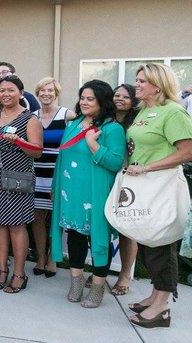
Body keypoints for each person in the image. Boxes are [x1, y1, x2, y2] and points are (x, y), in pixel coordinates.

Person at [125, 63, 192, 328]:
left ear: (157, 85)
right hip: (143, 187)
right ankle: (155, 295)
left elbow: (186, 152)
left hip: (162, 185)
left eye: (142, 81)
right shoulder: (145, 111)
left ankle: (163, 305)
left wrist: (148, 167)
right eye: (137, 80)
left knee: (162, 245)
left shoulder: (173, 112)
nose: (137, 84)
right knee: (148, 242)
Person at [50, 80, 125, 308]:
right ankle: (76, 281)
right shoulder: (74, 124)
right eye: (82, 97)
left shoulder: (112, 129)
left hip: (96, 195)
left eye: (90, 98)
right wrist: (56, 186)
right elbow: (62, 157)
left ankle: (98, 287)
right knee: (74, 236)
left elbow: (115, 162)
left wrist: (93, 144)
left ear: (103, 101)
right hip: (70, 193)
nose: (84, 102)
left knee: (99, 240)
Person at [0, 75, 43, 293]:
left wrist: (20, 141)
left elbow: (37, 151)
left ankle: (19, 272)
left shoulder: (30, 119)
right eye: (2, 90)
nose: (5, 94)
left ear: (21, 93)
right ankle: (2, 269)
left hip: (17, 179)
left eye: (11, 90)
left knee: (16, 225)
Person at [31, 77, 76, 278]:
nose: (46, 94)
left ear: (56, 93)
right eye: (42, 90)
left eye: (50, 90)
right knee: (38, 217)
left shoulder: (67, 115)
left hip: (58, 173)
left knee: (56, 218)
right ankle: (40, 258)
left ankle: (52, 259)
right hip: (35, 171)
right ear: (38, 93)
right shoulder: (32, 116)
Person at [108, 83, 139, 296]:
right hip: (106, 177)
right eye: (116, 95)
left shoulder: (137, 123)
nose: (120, 99)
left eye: (125, 96)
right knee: (104, 226)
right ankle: (101, 270)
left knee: (127, 231)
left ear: (133, 100)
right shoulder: (106, 120)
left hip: (129, 180)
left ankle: (124, 275)